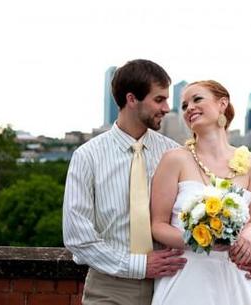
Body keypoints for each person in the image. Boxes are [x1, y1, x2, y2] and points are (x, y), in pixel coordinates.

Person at [62, 59, 187, 305]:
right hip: (110, 288)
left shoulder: (174, 154)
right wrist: (139, 265)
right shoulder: (87, 157)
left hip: (171, 285)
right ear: (132, 99)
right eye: (159, 99)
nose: (166, 108)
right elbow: (77, 236)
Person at [150, 80, 251, 305]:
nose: (189, 108)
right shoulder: (174, 159)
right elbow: (158, 226)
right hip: (185, 278)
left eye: (197, 99)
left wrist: (247, 241)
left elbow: (249, 222)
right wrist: (200, 240)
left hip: (233, 276)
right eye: (184, 106)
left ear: (222, 103)